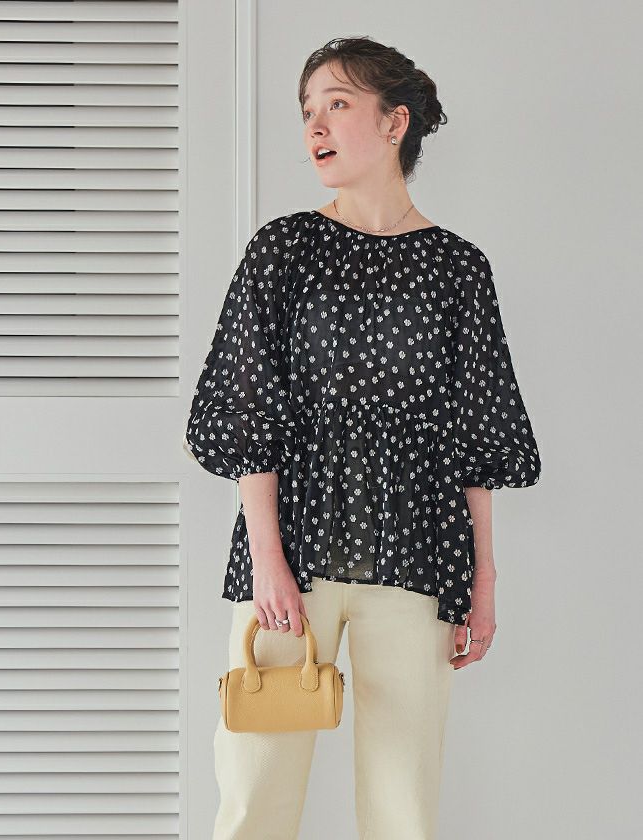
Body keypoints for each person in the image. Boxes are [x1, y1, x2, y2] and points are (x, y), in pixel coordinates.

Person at [184, 36, 541, 840]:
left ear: (394, 122)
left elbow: (476, 434)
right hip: (292, 550)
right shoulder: (284, 249)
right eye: (307, 111)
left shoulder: (458, 269)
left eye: (337, 104)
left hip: (419, 551)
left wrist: (484, 579)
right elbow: (248, 411)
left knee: (402, 804)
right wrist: (267, 557)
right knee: (253, 793)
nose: (315, 125)